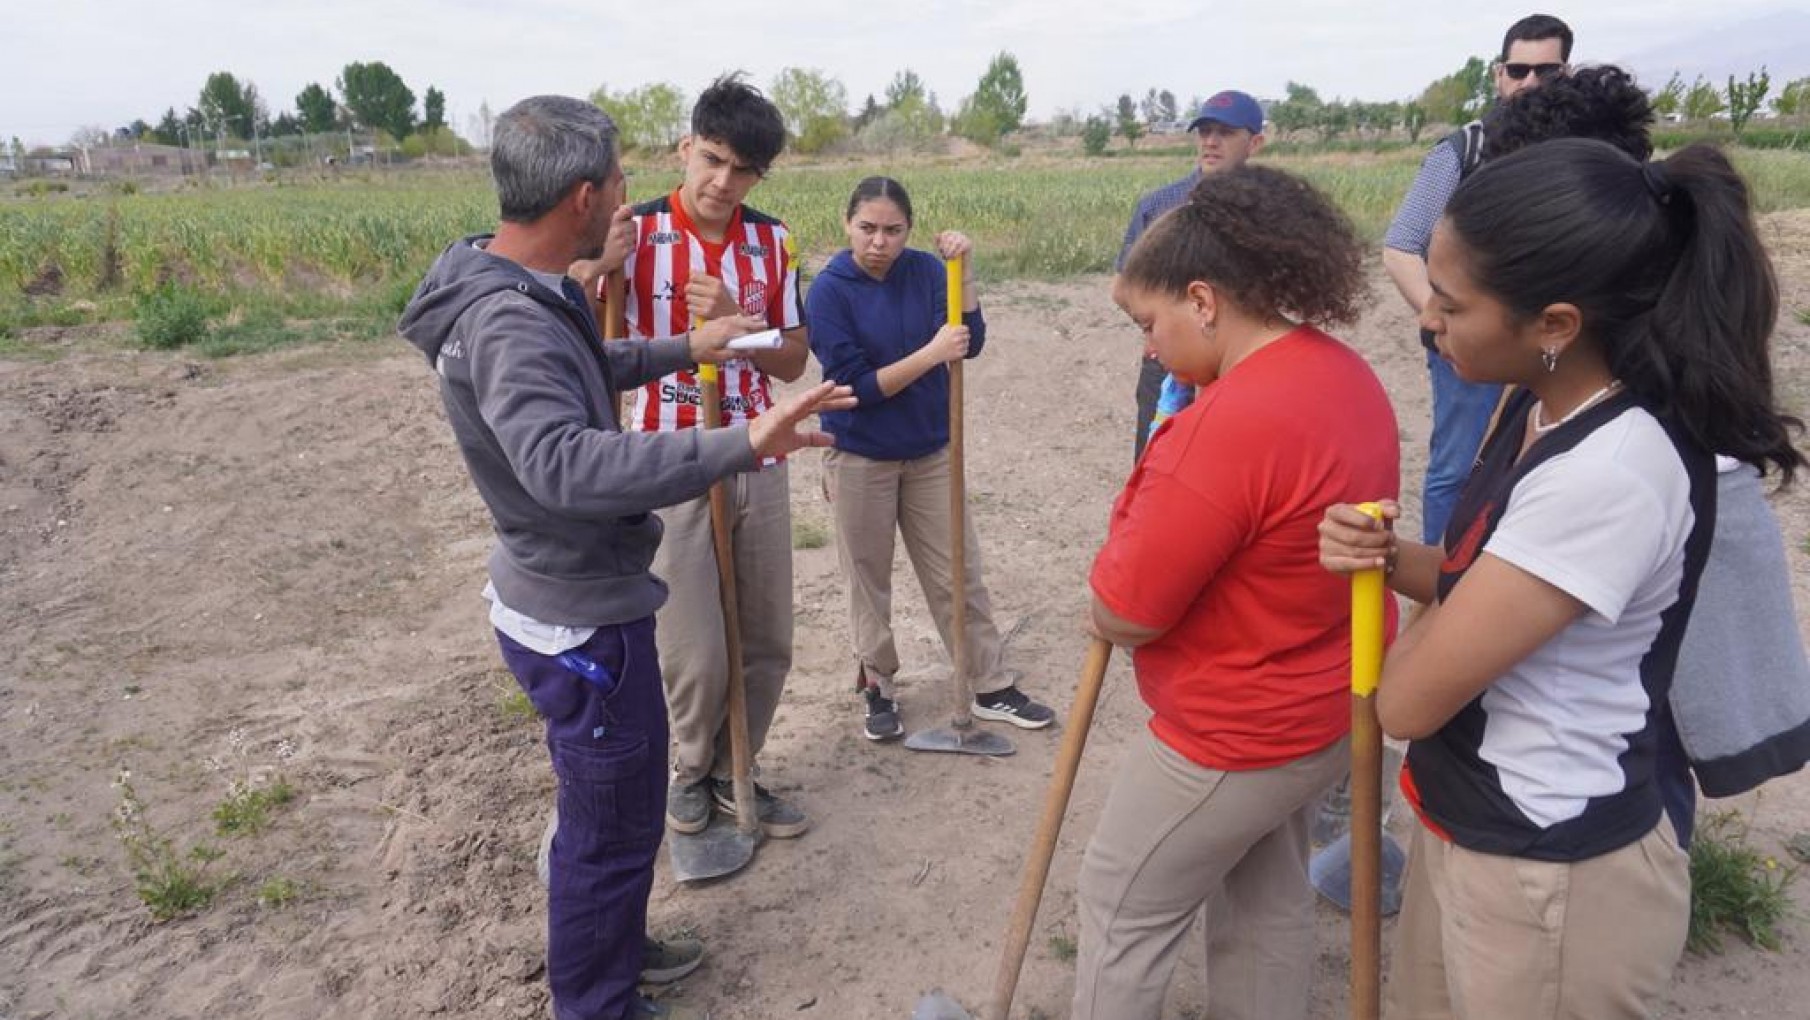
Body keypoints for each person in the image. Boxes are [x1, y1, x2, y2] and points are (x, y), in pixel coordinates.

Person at [1319, 139, 1803, 1019]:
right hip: (1466, 819)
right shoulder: (1537, 404)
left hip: (1550, 874)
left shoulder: (1611, 472)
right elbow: (1479, 579)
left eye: (1453, 305)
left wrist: (1423, 620)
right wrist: (1395, 564)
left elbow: (1406, 702)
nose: (1427, 319)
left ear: (1556, 325)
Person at [399, 95, 852, 1020]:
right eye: (613, 181)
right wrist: (742, 441)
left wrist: (693, 343)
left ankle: (617, 941)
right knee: (607, 833)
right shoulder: (513, 320)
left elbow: (591, 369)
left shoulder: (511, 285)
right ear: (581, 198)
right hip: (575, 612)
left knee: (619, 810)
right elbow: (565, 463)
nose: (625, 195)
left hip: (577, 590)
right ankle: (598, 1001)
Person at [1074, 165, 1400, 1020]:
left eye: (1150, 323)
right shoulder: (1342, 372)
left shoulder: (1227, 425)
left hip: (1235, 730)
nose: (1149, 347)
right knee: (1264, 898)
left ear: (1204, 300)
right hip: (1330, 707)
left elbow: (1127, 613)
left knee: (1121, 906)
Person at [612, 75, 813, 840]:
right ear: (685, 147)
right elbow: (593, 334)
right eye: (714, 160)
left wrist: (738, 322)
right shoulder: (637, 233)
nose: (725, 183)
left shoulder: (774, 241)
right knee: (694, 644)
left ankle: (740, 769)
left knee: (766, 636)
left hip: (758, 450)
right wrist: (596, 268)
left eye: (745, 170)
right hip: (668, 453)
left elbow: (794, 360)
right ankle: (689, 772)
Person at [805, 176, 1057, 741]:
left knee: (957, 572)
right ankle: (878, 684)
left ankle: (989, 684)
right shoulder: (829, 291)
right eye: (868, 228)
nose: (879, 241)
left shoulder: (925, 271)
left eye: (893, 230)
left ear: (908, 230)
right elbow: (856, 386)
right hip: (860, 456)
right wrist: (929, 354)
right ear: (848, 225)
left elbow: (972, 338)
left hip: (930, 452)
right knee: (866, 580)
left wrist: (963, 270)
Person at [1381, 13, 1573, 544]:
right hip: (1471, 342)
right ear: (1498, 75)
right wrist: (1444, 317)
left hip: (1560, 338)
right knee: (1458, 465)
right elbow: (1401, 246)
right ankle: (1441, 589)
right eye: (1518, 70)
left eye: (1546, 72)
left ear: (1568, 72)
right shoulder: (1463, 150)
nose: (1530, 83)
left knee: (1552, 463)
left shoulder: (1583, 155)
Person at [1118, 89, 1266, 461]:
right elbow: (1123, 287)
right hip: (1168, 364)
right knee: (1156, 463)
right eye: (1204, 132)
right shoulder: (1159, 206)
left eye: (1225, 132)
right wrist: (1159, 327)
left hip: (1242, 367)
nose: (1211, 142)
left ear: (1256, 142)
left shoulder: (1270, 213)